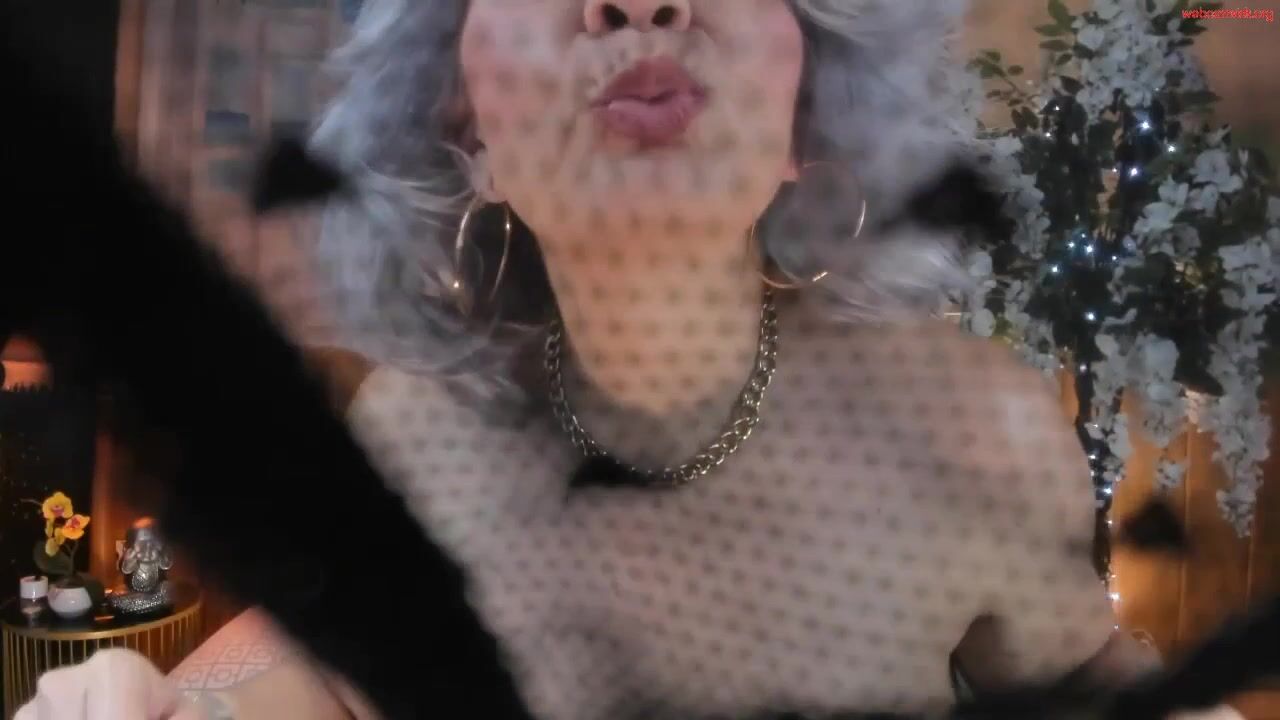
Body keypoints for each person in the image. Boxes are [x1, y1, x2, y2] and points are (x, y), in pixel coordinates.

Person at [14, 0, 1248, 718]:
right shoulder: (414, 428)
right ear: (468, 131)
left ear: (803, 119)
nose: (637, 1)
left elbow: (1090, 672)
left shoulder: (965, 429)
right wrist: (154, 698)